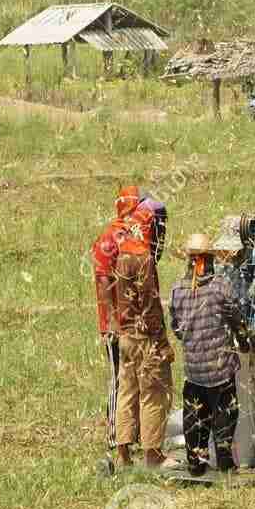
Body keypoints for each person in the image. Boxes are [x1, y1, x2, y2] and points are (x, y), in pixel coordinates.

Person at [170, 232, 242, 476]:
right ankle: (224, 460)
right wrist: (243, 341)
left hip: (193, 369)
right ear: (207, 260)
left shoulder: (177, 290)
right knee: (225, 411)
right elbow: (236, 319)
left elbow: (177, 328)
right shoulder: (220, 287)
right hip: (220, 367)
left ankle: (196, 462)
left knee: (195, 414)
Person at [112, 202, 175, 469]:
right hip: (146, 339)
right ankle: (152, 455)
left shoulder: (122, 254)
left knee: (127, 392)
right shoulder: (144, 258)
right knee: (154, 393)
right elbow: (150, 305)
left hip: (125, 336)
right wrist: (163, 343)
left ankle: (123, 453)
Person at [91, 186, 142, 456]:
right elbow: (102, 280)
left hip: (133, 323)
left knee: (135, 379)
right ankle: (114, 434)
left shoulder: (130, 235)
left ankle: (132, 431)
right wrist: (111, 322)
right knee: (118, 378)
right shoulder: (109, 239)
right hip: (117, 325)